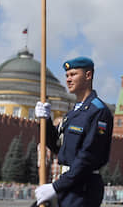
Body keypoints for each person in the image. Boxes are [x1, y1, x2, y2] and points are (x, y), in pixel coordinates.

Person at [34, 57, 113, 207]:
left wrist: (55, 187)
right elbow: (57, 146)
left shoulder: (98, 112)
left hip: (83, 188)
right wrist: (45, 121)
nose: (68, 79)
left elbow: (88, 156)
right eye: (67, 75)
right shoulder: (73, 114)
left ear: (88, 75)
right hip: (68, 184)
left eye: (73, 74)